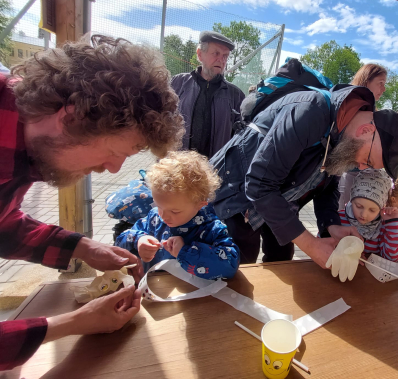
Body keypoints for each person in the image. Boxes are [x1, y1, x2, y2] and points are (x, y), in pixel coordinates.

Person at [0, 35, 184, 369]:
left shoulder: (24, 143)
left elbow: (2, 225)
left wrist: (82, 247)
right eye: (115, 153)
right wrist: (73, 323)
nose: (113, 168)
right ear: (69, 117)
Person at [210, 83, 398, 273]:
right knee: (239, 264)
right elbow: (259, 185)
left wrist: (331, 225)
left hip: (277, 200)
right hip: (235, 196)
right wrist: (310, 245)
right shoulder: (311, 111)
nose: (360, 167)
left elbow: (328, 186)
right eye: (368, 160)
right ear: (366, 130)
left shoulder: (344, 134)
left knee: (282, 258)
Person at [115, 151, 239, 279]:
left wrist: (185, 251)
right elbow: (119, 243)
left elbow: (230, 265)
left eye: (175, 211)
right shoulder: (154, 219)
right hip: (154, 292)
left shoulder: (211, 230)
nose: (164, 216)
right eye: (158, 206)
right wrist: (138, 240)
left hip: (195, 296)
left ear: (200, 205)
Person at [338, 63, 398, 210]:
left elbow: (377, 141)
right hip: (350, 173)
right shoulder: (353, 105)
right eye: (380, 83)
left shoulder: (370, 108)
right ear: (366, 81)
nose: (384, 89)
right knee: (345, 212)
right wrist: (397, 118)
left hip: (362, 174)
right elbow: (358, 141)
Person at [171, 31, 245, 158]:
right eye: (216, 53)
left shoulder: (236, 95)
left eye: (225, 56)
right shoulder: (177, 84)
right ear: (200, 55)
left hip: (215, 171)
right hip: (178, 167)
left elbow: (241, 138)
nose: (221, 60)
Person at [337, 170, 398, 262]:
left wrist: (393, 224)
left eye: (372, 210)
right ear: (351, 200)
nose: (363, 214)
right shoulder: (338, 219)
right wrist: (344, 254)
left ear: (382, 207)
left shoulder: (383, 226)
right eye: (359, 206)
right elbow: (323, 244)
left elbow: (392, 257)